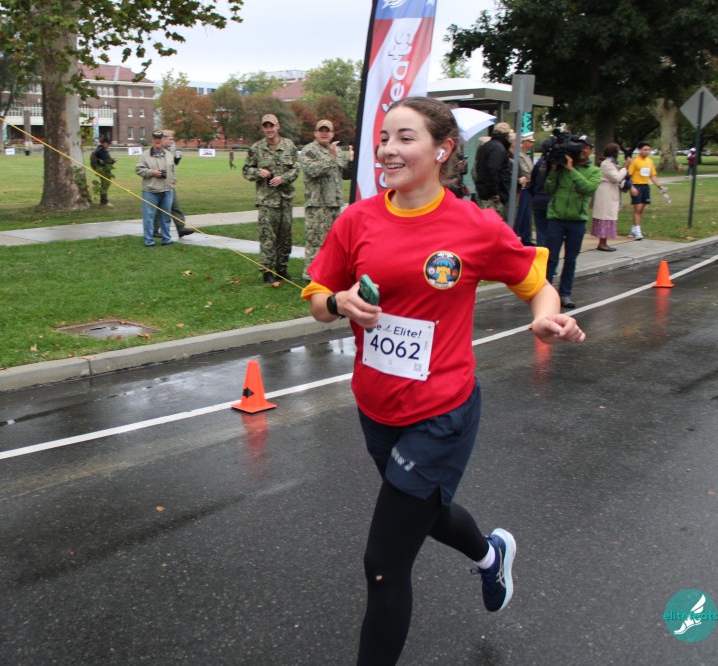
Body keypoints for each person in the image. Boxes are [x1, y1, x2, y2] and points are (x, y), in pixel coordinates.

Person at [301, 96, 586, 664]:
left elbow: (537, 284)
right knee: (426, 512)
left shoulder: (473, 225)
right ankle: (490, 555)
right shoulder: (357, 219)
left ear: (443, 150)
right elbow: (316, 298)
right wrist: (337, 302)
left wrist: (545, 317)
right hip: (375, 406)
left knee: (383, 564)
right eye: (384, 138)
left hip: (441, 412)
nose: (388, 149)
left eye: (405, 138)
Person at [545, 135, 601, 308]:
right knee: (550, 257)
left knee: (570, 259)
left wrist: (571, 170)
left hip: (577, 220)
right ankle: (544, 292)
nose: (581, 150)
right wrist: (554, 170)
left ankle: (565, 294)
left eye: (585, 147)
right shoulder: (562, 167)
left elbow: (588, 188)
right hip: (556, 218)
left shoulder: (594, 171)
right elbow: (549, 188)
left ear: (591, 150)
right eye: (579, 146)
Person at [243, 114, 300, 282]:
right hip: (267, 201)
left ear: (278, 126)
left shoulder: (289, 145)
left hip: (285, 199)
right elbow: (246, 170)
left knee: (285, 237)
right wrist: (258, 172)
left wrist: (283, 178)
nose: (269, 129)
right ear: (263, 128)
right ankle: (267, 272)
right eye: (266, 126)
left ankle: (282, 270)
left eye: (272, 126)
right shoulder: (256, 148)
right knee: (267, 237)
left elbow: (296, 168)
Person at [299, 119, 352, 280]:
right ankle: (311, 276)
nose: (324, 133)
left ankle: (327, 274)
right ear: (315, 133)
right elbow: (313, 170)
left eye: (327, 131)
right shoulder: (309, 150)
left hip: (334, 204)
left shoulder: (337, 151)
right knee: (316, 242)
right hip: (317, 205)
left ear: (332, 134)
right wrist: (331, 157)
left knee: (334, 242)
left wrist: (352, 160)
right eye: (321, 130)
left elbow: (345, 174)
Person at [134, 130, 176, 247]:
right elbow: (138, 169)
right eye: (155, 138)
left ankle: (166, 239)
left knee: (166, 217)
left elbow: (173, 169)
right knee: (149, 218)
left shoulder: (168, 154)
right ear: (152, 140)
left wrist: (173, 180)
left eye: (160, 138)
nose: (157, 140)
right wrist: (152, 172)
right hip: (150, 191)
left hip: (167, 191)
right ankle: (149, 241)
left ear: (163, 140)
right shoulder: (145, 155)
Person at [625, 141, 667, 240]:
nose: (647, 151)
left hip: (645, 186)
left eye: (648, 150)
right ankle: (638, 232)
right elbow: (628, 176)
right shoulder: (635, 161)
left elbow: (653, 176)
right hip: (636, 186)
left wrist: (660, 186)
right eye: (644, 149)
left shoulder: (649, 161)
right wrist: (632, 187)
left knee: (640, 210)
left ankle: (634, 229)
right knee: (637, 209)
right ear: (639, 150)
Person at [473, 121, 513, 223]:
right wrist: (495, 192)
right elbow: (493, 170)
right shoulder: (499, 148)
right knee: (495, 223)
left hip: (483, 192)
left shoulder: (486, 146)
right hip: (492, 196)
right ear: (505, 135)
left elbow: (478, 169)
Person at [591, 143, 627, 252]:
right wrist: (625, 168)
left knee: (608, 215)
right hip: (606, 192)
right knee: (605, 216)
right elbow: (616, 178)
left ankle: (604, 242)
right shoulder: (606, 164)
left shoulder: (612, 163)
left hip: (611, 191)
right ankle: (602, 243)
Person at [159, 130, 194, 238]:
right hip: (159, 185)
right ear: (163, 139)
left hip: (169, 184)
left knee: (175, 207)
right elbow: (161, 166)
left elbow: (171, 166)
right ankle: (154, 230)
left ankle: (181, 228)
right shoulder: (159, 151)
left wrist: (176, 160)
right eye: (170, 139)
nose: (172, 141)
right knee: (156, 209)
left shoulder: (168, 151)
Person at [529, 138, 553, 247]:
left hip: (538, 197)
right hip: (550, 198)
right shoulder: (555, 164)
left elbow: (533, 180)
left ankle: (541, 253)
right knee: (550, 231)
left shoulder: (539, 162)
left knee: (541, 231)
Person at [513, 132, 536, 246]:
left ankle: (526, 237)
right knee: (521, 213)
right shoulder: (520, 155)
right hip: (523, 187)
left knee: (526, 214)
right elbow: (527, 172)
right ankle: (517, 235)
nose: (531, 144)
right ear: (524, 142)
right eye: (530, 142)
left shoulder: (525, 155)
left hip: (528, 186)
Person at [90, 138, 116, 207]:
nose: (109, 145)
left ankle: (104, 201)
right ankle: (104, 202)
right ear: (104, 143)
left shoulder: (100, 149)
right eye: (108, 143)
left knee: (105, 184)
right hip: (103, 170)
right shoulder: (101, 150)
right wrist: (113, 161)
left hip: (103, 169)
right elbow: (108, 161)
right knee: (105, 184)